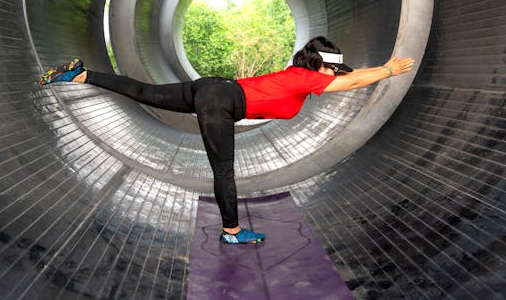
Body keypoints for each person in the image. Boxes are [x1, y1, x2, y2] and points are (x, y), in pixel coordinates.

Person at [39, 37, 414, 244]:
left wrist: (371, 70)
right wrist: (388, 70)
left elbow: (345, 76)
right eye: (332, 68)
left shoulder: (299, 76)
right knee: (224, 172)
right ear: (319, 66)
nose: (335, 75)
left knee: (143, 91)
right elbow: (349, 82)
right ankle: (232, 232)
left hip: (213, 88)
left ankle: (80, 75)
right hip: (222, 102)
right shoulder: (305, 77)